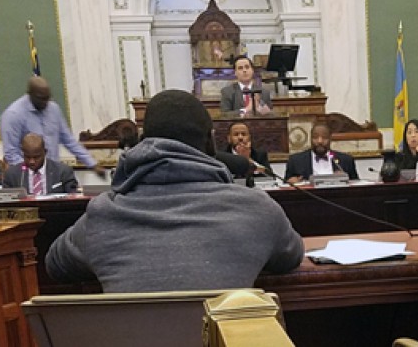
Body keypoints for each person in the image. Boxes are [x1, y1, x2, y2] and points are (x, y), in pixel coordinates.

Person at [46, 89, 303, 292]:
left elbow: (55, 265)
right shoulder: (258, 209)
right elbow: (290, 257)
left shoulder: (103, 214)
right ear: (211, 144)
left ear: (145, 143)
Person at [0, 76, 105, 176]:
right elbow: (11, 153)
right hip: (27, 176)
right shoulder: (13, 115)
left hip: (54, 174)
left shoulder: (53, 109)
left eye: (47, 98)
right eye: (41, 98)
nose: (45, 103)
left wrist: (92, 164)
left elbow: (69, 140)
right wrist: (32, 173)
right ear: (30, 94)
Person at [2, 133, 79, 195]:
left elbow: (73, 197)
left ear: (45, 152)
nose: (31, 161)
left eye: (36, 157)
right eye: (28, 157)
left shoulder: (63, 171)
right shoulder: (12, 174)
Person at [284, 123, 359, 182]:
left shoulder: (345, 160)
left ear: (330, 139)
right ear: (310, 139)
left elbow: (356, 185)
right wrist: (292, 183)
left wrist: (345, 179)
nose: (320, 141)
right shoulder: (295, 161)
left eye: (324, 137)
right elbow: (285, 185)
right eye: (315, 137)